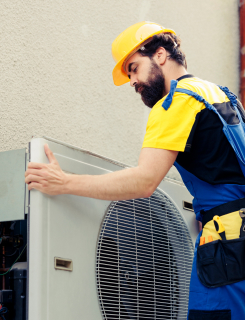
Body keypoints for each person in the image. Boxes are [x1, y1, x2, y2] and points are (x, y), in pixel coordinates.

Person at [25, 21, 245, 319]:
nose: (132, 81)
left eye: (134, 67)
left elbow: (144, 182)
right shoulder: (217, 94)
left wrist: (64, 182)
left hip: (226, 246)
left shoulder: (176, 102)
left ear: (160, 55)